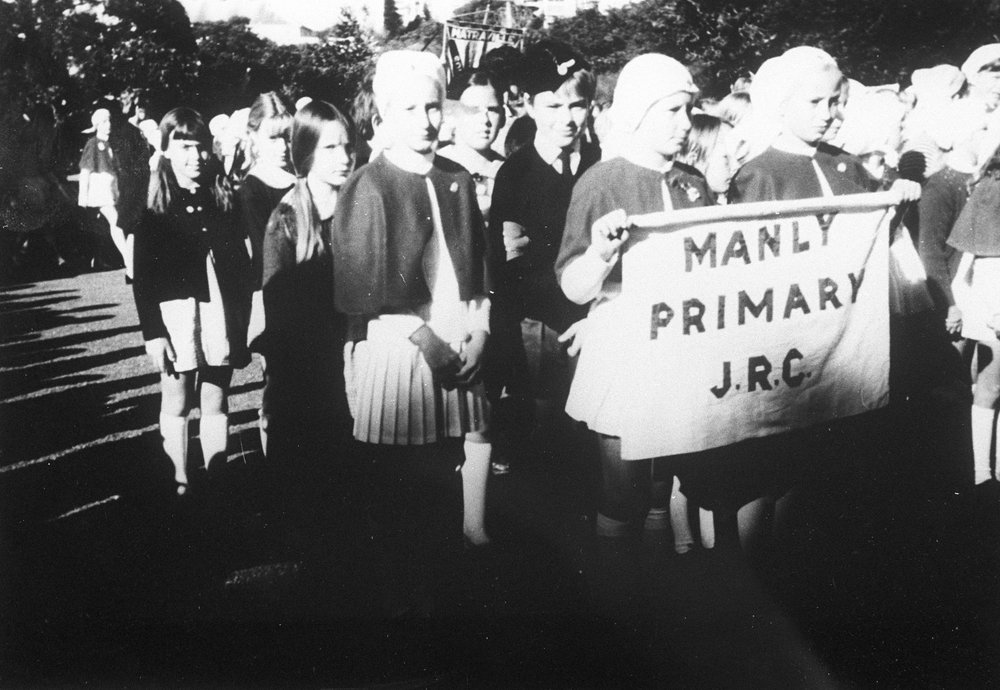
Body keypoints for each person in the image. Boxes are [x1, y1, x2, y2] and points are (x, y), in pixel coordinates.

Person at [727, 48, 920, 550]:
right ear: (781, 102)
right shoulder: (759, 174)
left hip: (846, 348)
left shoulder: (848, 166)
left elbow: (873, 243)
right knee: (775, 471)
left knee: (829, 468)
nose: (828, 112)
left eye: (835, 101)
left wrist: (896, 204)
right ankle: (758, 568)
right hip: (787, 348)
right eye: (814, 101)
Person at [331, 51, 493, 600]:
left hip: (456, 342)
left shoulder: (456, 177)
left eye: (433, 106)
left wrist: (480, 332)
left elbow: (477, 272)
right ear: (384, 114)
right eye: (410, 109)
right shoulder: (369, 185)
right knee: (400, 486)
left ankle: (438, 598)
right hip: (401, 350)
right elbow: (360, 293)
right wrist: (425, 340)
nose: (426, 120)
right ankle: (398, 604)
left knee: (447, 471)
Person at [555, 53, 712, 547]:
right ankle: (615, 584)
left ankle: (660, 578)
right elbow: (573, 285)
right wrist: (601, 254)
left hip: (681, 341)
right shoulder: (602, 181)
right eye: (672, 111)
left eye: (689, 110)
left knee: (664, 484)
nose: (685, 123)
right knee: (623, 487)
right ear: (639, 112)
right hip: (625, 347)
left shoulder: (694, 183)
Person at [488, 40, 600, 474]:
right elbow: (511, 266)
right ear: (530, 107)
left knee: (592, 435)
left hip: (595, 319)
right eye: (553, 106)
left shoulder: (599, 164)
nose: (566, 118)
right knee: (547, 433)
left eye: (577, 105)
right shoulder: (515, 174)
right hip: (542, 325)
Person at [132, 107, 252, 494]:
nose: (195, 156)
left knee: (216, 392)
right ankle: (180, 478)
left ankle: (217, 475)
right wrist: (154, 333)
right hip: (176, 314)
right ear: (166, 149)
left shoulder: (223, 196)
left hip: (219, 310)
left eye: (200, 147)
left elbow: (240, 263)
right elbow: (142, 279)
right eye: (184, 147)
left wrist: (241, 316)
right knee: (177, 394)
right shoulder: (153, 207)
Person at [237, 92, 296, 456]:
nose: (283, 146)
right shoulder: (252, 188)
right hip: (273, 292)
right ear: (254, 136)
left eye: (288, 137)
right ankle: (275, 460)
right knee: (278, 384)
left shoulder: (301, 178)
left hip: (312, 289)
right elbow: (262, 254)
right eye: (274, 138)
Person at [949, 145, 1000, 486]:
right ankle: (982, 474)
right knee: (990, 386)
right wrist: (989, 313)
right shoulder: (990, 192)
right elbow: (963, 275)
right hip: (992, 308)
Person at [438, 71, 506, 219]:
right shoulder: (437, 168)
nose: (485, 120)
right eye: (473, 110)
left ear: (503, 117)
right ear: (450, 114)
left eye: (492, 110)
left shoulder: (509, 172)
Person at [78, 107, 127, 272]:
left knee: (106, 225)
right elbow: (85, 171)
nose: (108, 124)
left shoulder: (110, 143)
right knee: (116, 221)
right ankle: (129, 258)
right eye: (104, 122)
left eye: (109, 120)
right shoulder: (93, 144)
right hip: (100, 189)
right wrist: (82, 198)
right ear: (97, 125)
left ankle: (103, 259)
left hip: (112, 189)